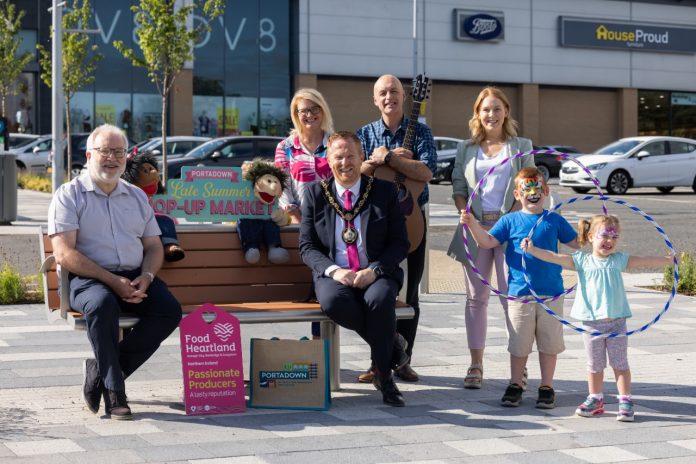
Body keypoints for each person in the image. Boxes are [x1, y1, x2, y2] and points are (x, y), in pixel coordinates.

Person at [47, 124, 182, 420]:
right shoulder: (69, 195)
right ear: (88, 154)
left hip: (135, 275)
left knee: (169, 311)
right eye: (104, 151)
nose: (112, 158)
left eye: (118, 151)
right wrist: (112, 281)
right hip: (88, 278)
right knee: (102, 304)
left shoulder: (135, 196)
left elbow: (154, 247)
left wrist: (146, 277)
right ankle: (115, 393)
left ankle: (102, 371)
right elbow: (64, 254)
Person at [521, 214, 671, 421]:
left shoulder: (619, 260)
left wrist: (668, 260)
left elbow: (643, 261)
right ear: (591, 237)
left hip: (617, 322)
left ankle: (625, 400)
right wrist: (532, 250)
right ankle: (595, 398)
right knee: (594, 365)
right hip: (592, 323)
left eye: (614, 237)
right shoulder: (582, 260)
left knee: (620, 363)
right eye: (604, 235)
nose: (609, 241)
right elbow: (554, 257)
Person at [299, 131, 410, 406]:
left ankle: (384, 376)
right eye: (338, 156)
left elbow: (400, 243)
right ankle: (392, 346)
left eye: (351, 155)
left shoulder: (383, 192)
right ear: (328, 160)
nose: (345, 162)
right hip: (335, 273)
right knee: (335, 302)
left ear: (362, 158)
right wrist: (334, 271)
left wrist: (374, 270)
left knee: (380, 300)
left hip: (376, 271)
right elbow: (307, 247)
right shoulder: (315, 194)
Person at [460, 166, 579, 408]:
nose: (533, 193)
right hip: (519, 295)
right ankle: (516, 384)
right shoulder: (509, 220)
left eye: (538, 188)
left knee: (549, 343)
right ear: (517, 194)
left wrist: (592, 232)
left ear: (546, 191)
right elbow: (487, 242)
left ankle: (547, 386)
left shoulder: (553, 219)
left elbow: (577, 243)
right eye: (527, 189)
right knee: (519, 343)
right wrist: (472, 223)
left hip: (551, 293)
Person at [447, 86, 535, 389]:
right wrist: (466, 215)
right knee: (476, 299)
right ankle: (476, 364)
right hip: (475, 228)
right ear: (477, 113)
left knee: (512, 299)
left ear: (506, 112)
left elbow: (529, 186)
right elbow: (458, 186)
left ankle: (519, 365)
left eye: (497, 108)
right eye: (485, 109)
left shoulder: (522, 145)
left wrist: (511, 219)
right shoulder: (466, 148)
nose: (491, 114)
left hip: (510, 229)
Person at [356, 74, 437, 383]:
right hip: (375, 222)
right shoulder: (365, 133)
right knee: (377, 292)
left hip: (412, 218)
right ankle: (381, 358)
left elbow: (427, 171)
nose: (389, 96)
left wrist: (390, 157)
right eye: (383, 93)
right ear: (375, 100)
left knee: (410, 293)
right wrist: (376, 162)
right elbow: (357, 171)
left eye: (394, 91)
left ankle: (404, 360)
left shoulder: (421, 132)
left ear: (405, 97)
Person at [275, 88, 335, 339]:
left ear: (323, 110)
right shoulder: (286, 146)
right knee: (316, 281)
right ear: (295, 115)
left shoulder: (334, 142)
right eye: (303, 111)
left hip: (334, 223)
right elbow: (281, 186)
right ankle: (319, 345)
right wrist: (296, 215)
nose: (309, 115)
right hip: (301, 223)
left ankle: (321, 345)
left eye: (314, 109)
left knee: (325, 283)